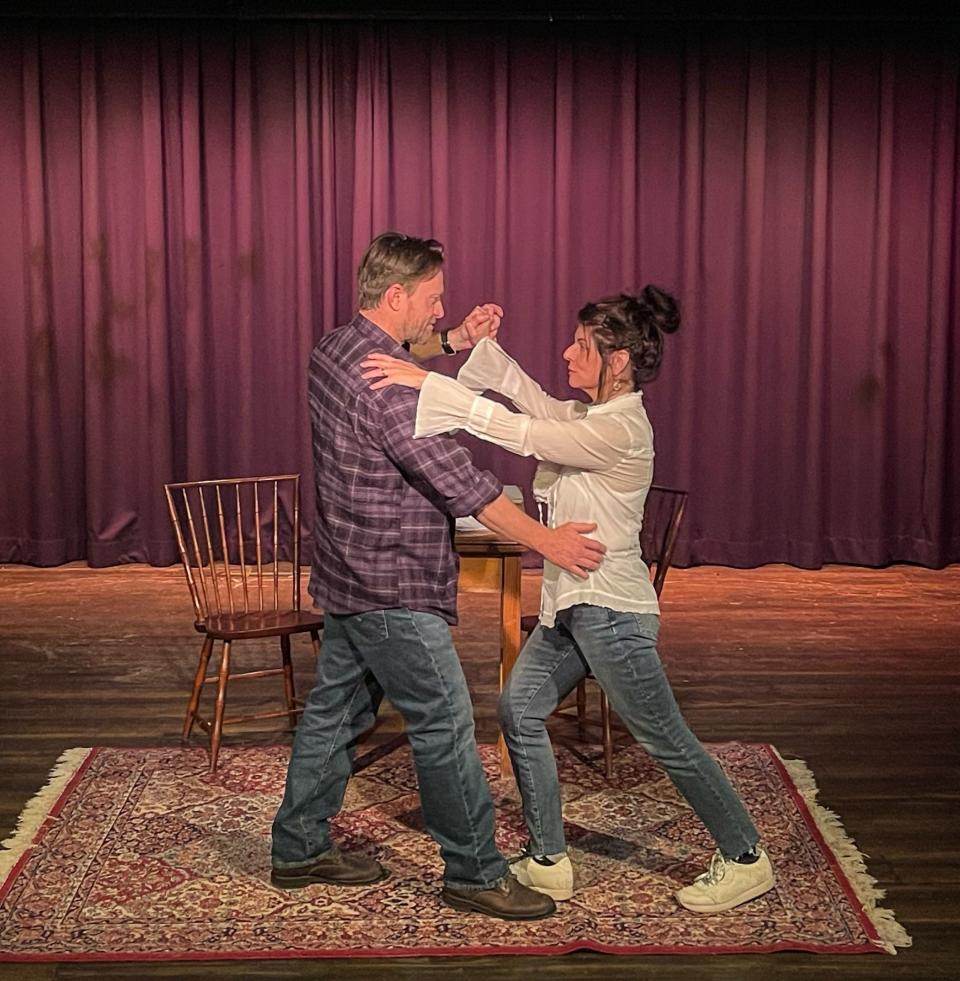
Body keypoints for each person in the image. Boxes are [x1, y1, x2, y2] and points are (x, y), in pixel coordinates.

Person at [361, 286, 776, 915]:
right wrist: (483, 351)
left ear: (617, 362)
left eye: (581, 346)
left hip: (611, 612)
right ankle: (550, 860)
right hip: (573, 612)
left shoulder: (619, 429)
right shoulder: (590, 420)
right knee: (519, 709)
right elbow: (536, 405)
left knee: (664, 737)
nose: (566, 352)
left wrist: (425, 383)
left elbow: (522, 431)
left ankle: (746, 856)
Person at [271, 232, 607, 922]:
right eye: (433, 300)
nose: (441, 307)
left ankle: (300, 847)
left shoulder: (333, 350)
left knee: (336, 711)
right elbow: (469, 491)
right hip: (392, 588)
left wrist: (451, 337)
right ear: (396, 295)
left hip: (344, 574)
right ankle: (475, 872)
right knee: (446, 721)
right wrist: (550, 543)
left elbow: (401, 354)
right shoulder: (396, 397)